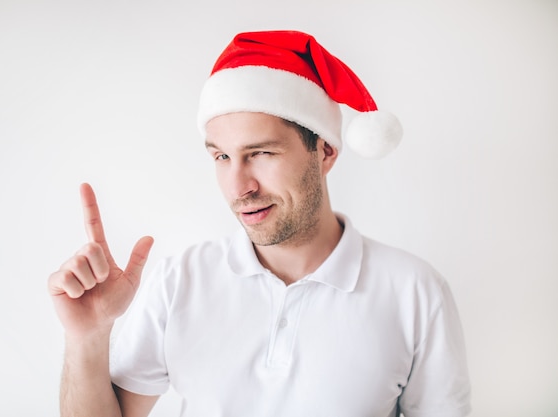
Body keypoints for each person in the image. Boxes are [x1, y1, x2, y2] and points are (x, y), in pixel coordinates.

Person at [48, 30, 471, 417]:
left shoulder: (415, 292)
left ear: (325, 151)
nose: (238, 186)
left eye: (262, 153)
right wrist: (87, 338)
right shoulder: (181, 281)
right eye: (222, 157)